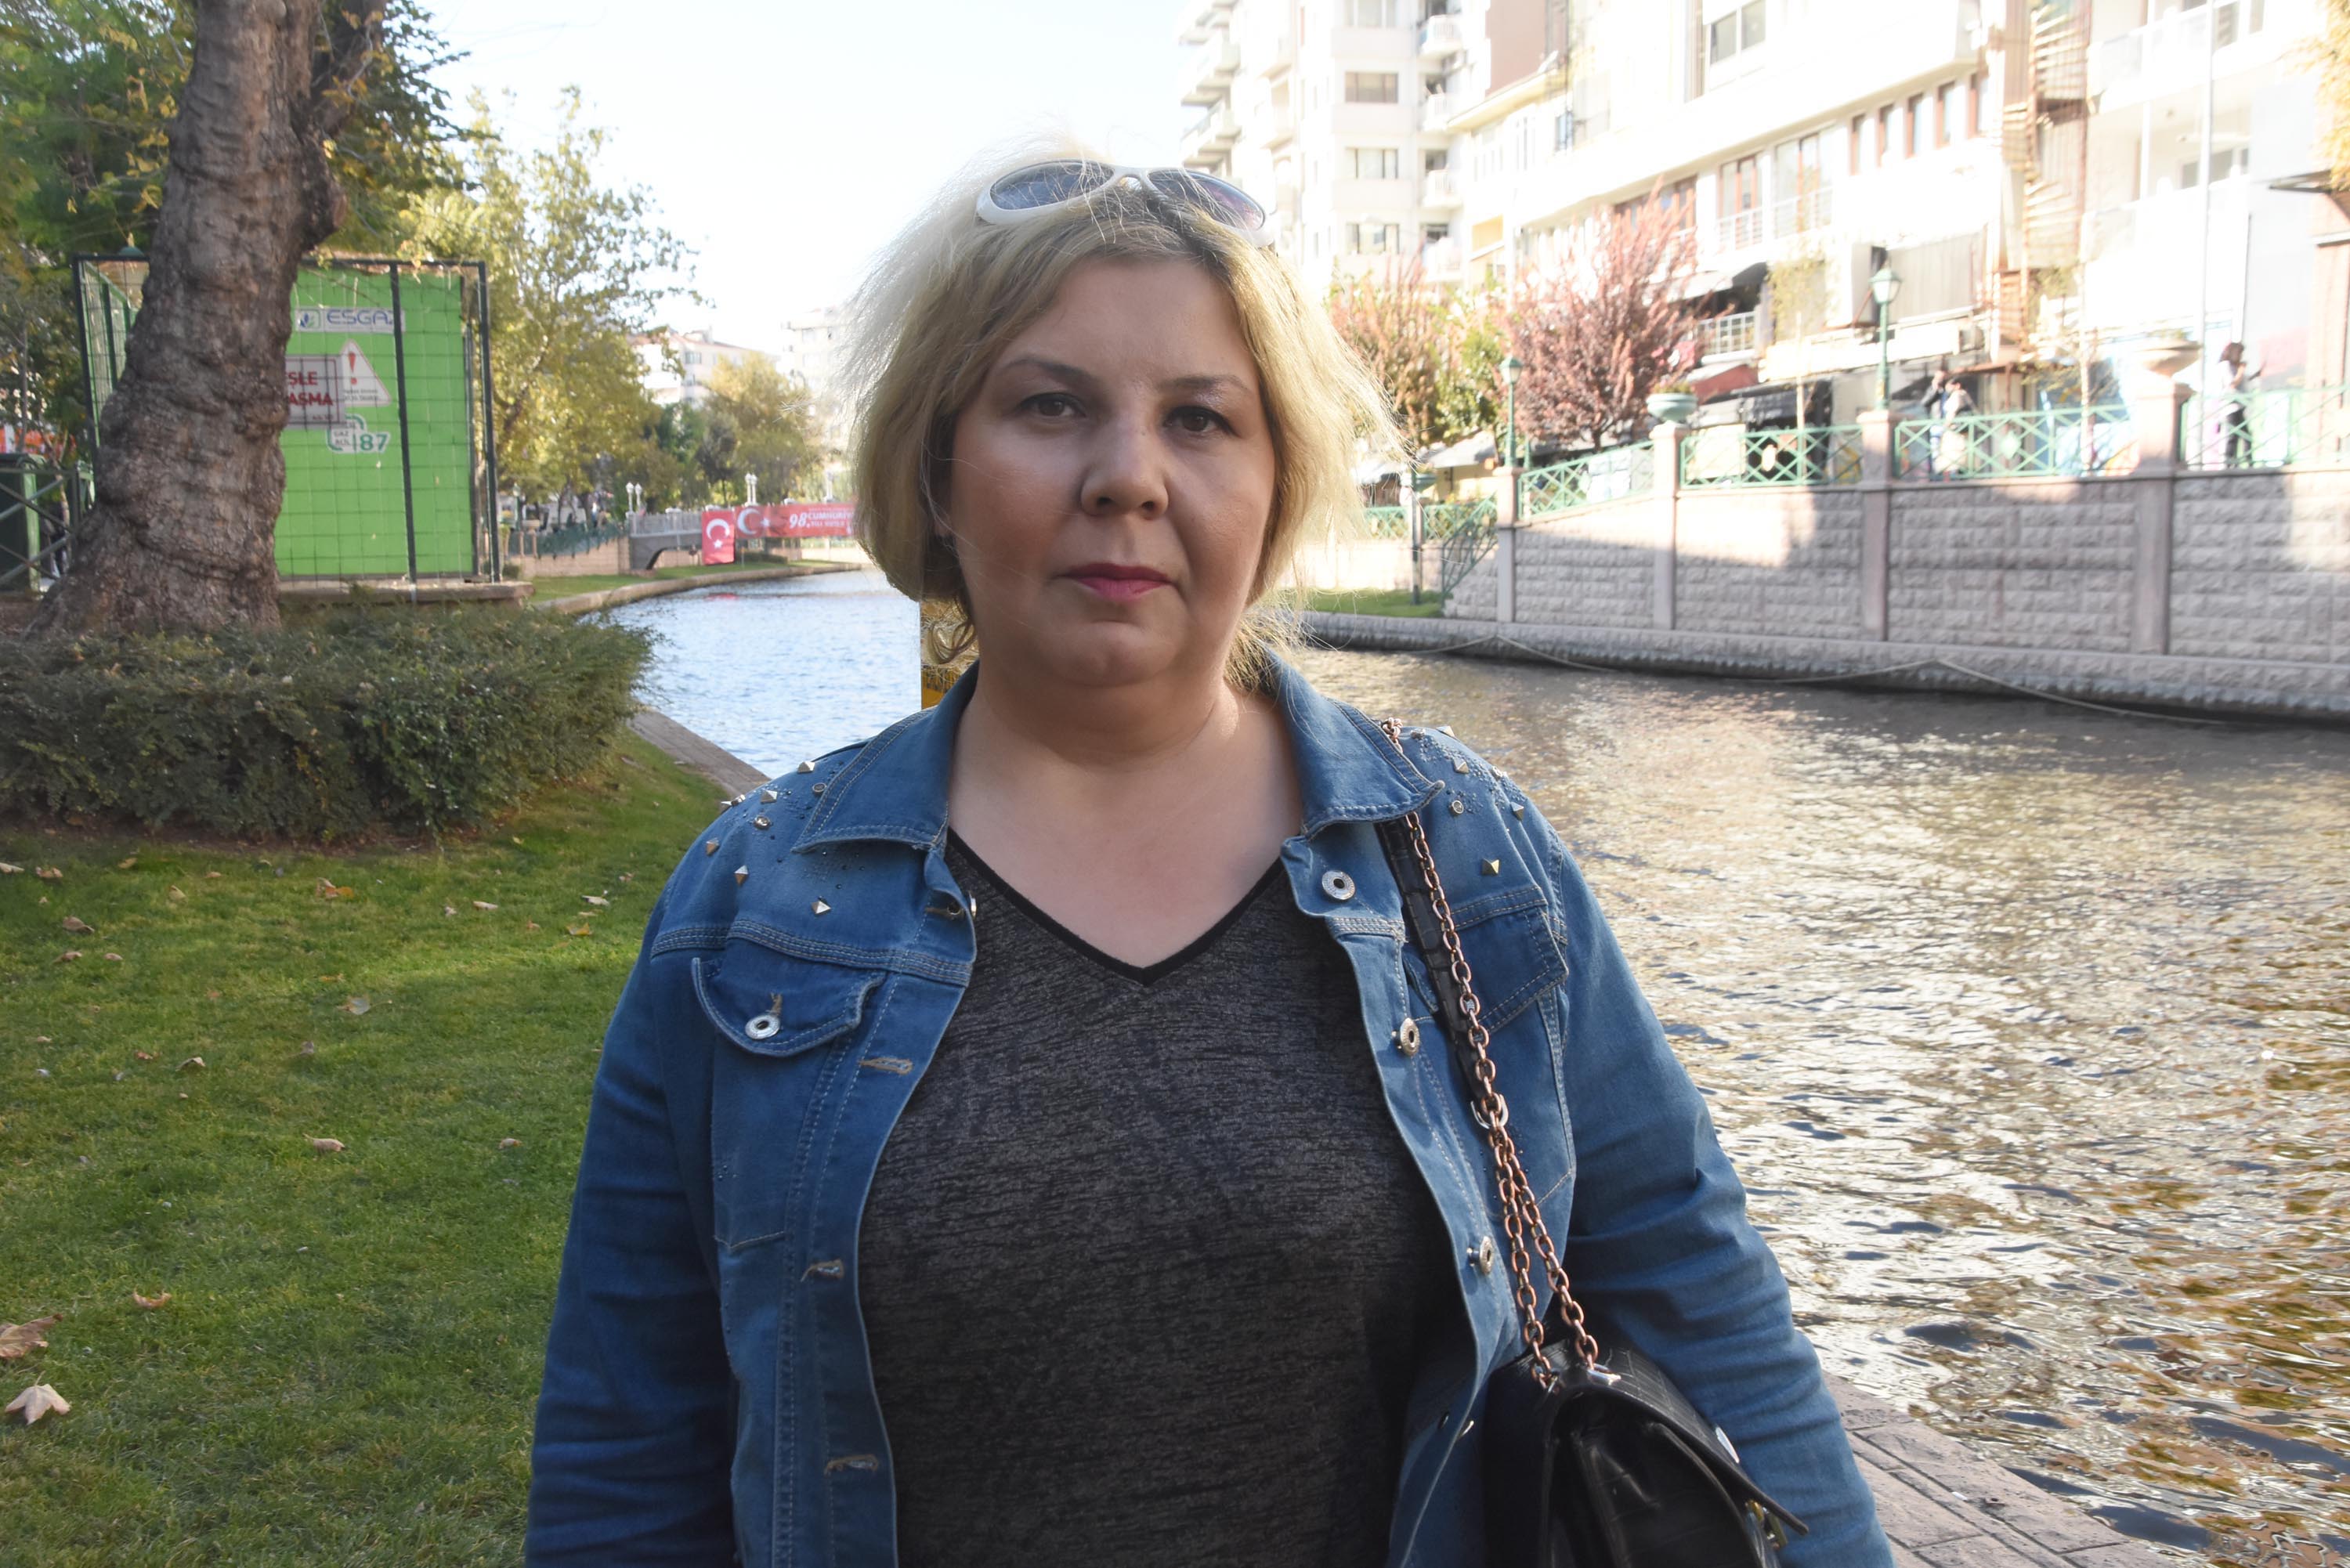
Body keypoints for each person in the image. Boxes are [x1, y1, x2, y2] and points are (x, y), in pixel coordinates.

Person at [524, 146, 1896, 1568]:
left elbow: (1709, 1318)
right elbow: (628, 1461)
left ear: (1277, 481)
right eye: (1050, 405)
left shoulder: (1473, 861)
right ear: (937, 471)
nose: (1128, 476)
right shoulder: (751, 908)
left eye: (1200, 417)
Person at [2218, 341, 2259, 467]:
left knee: (2245, 435)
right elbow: (2232, 384)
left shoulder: (2234, 367)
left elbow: (2243, 381)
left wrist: (2254, 376)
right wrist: (2241, 371)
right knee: (2233, 436)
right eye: (2240, 353)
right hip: (2231, 406)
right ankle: (2230, 463)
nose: (2241, 357)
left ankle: (2246, 461)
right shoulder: (2225, 366)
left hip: (2239, 406)